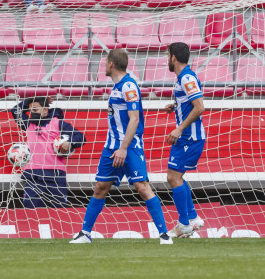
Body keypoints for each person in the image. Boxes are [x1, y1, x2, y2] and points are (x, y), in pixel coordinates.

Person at [71, 49, 172, 245]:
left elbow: (135, 119)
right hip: (111, 146)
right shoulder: (117, 86)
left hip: (129, 146)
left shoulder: (129, 86)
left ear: (111, 64)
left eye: (105, 62)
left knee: (142, 187)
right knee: (100, 187)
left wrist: (124, 148)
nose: (104, 65)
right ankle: (85, 233)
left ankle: (164, 235)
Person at [163, 42, 207, 238]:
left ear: (173, 57)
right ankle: (192, 218)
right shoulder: (183, 77)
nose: (167, 59)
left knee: (173, 177)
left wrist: (179, 129)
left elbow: (199, 107)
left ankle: (184, 224)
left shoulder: (186, 77)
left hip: (189, 136)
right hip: (188, 136)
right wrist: (176, 105)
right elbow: (189, 102)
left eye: (167, 55)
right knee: (176, 176)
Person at [10, 97, 85, 208]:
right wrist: (31, 100)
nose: (31, 113)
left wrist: (70, 142)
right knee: (30, 212)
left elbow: (81, 137)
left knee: (59, 214)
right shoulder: (28, 124)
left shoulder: (58, 124)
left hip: (55, 176)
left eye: (35, 110)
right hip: (33, 176)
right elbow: (15, 110)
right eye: (30, 111)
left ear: (45, 110)